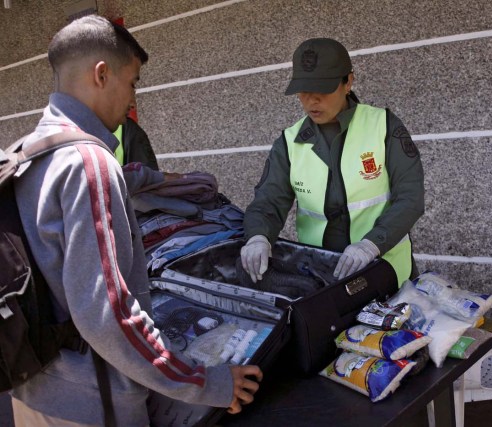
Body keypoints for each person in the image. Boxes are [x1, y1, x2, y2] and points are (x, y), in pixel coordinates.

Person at [11, 15, 261, 426]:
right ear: (101, 74)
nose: (132, 100)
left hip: (34, 394)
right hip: (94, 406)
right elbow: (108, 316)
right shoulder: (88, 163)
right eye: (132, 82)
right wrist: (206, 382)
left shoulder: (25, 154)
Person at [241, 38, 425, 287]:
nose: (312, 100)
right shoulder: (289, 142)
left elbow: (411, 198)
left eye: (323, 89)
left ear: (348, 81)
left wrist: (371, 244)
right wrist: (258, 237)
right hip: (321, 273)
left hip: (384, 268)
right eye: (304, 90)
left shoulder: (384, 126)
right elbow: (269, 201)